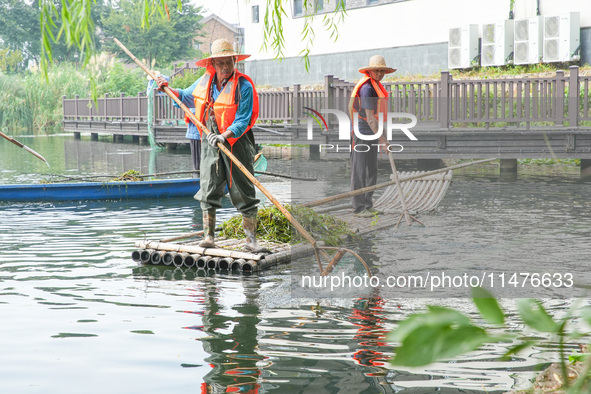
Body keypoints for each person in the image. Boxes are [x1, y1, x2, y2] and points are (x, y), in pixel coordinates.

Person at [156, 39, 267, 253]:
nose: (225, 67)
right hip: (209, 140)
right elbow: (186, 97)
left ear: (235, 61)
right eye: (221, 63)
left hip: (236, 141)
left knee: (243, 190)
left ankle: (251, 241)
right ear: (213, 64)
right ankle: (208, 237)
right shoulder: (205, 81)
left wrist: (224, 136)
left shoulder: (244, 84)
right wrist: (166, 88)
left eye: (229, 62)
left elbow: (243, 118)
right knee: (208, 187)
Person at [349, 55, 396, 217]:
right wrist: (383, 141)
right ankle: (358, 208)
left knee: (372, 170)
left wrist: (382, 137)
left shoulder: (375, 85)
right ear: (370, 71)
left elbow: (375, 119)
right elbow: (369, 119)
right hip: (362, 131)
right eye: (377, 71)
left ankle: (368, 204)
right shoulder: (367, 89)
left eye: (382, 71)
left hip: (371, 131)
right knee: (360, 170)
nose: (380, 73)